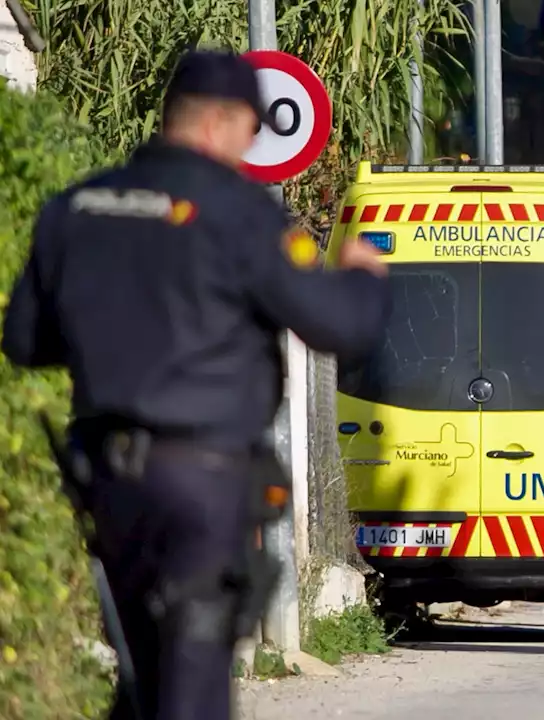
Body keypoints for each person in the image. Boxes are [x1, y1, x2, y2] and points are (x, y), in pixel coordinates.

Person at [0, 49, 390, 720]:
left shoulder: (77, 208)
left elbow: (26, 343)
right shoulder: (241, 216)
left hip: (109, 485)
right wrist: (362, 274)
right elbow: (339, 328)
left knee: (141, 673)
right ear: (219, 124)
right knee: (192, 685)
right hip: (201, 486)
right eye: (249, 129)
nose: (249, 146)